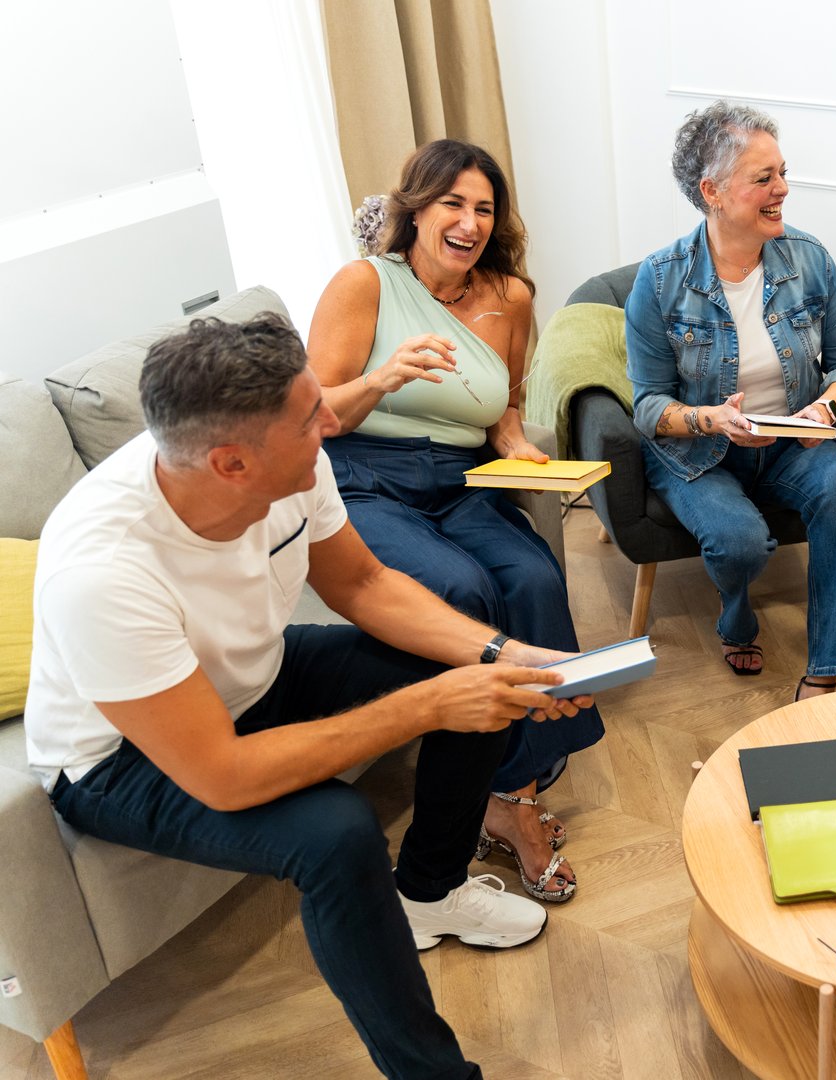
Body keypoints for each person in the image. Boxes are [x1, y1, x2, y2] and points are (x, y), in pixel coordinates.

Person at [24, 314, 595, 1079]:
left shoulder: (294, 459)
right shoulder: (101, 572)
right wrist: (431, 706)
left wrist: (505, 655)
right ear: (231, 464)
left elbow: (362, 582)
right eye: (310, 417)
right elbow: (221, 773)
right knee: (337, 834)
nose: (333, 419)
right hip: (122, 761)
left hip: (249, 675)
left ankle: (430, 892)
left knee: (480, 679)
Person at [307, 139, 601, 903]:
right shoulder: (363, 284)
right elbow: (313, 415)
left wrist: (515, 446)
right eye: (453, 204)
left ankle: (511, 791)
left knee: (532, 575)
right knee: (460, 589)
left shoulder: (511, 296)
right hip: (366, 477)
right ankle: (502, 803)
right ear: (416, 209)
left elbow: (502, 404)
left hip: (463, 482)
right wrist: (382, 377)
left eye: (484, 208)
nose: (469, 222)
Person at [625, 100, 836, 700]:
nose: (782, 190)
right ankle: (735, 617)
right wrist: (711, 417)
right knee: (738, 543)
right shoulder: (660, 281)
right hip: (701, 452)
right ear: (712, 190)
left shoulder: (809, 260)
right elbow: (648, 407)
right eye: (763, 179)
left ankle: (827, 666)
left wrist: (824, 411)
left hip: (791, 442)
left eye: (782, 173)